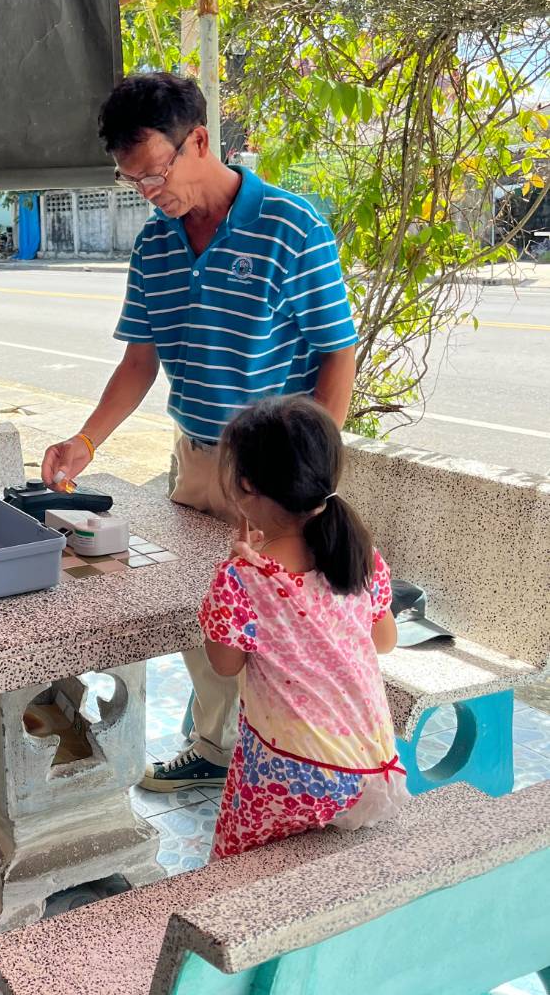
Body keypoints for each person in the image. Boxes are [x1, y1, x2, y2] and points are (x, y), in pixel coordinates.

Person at [42, 72, 358, 791]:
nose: (151, 193)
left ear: (201, 141)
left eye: (156, 174)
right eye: (135, 183)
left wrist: (316, 469)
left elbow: (338, 350)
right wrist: (85, 440)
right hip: (199, 461)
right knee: (209, 611)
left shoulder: (291, 225)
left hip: (281, 474)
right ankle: (220, 747)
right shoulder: (154, 249)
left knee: (282, 623)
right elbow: (140, 360)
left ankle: (291, 761)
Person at [197, 395, 405, 857]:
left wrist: (229, 577)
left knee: (232, 874)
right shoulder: (359, 556)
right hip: (371, 770)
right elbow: (385, 641)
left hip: (289, 773)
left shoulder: (243, 578)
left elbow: (224, 665)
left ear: (245, 484)